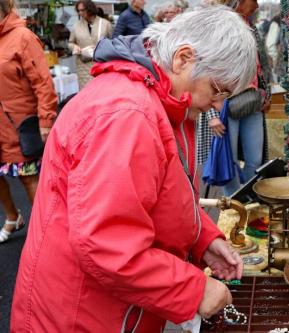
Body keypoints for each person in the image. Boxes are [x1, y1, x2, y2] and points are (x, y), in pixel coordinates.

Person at [11, 6, 256, 332]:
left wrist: (202, 239)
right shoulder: (127, 114)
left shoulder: (164, 102)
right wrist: (193, 289)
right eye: (218, 90)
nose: (218, 105)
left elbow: (165, 198)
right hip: (81, 316)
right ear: (183, 58)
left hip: (110, 310)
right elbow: (106, 244)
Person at [0, 0, 57, 243]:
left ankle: (46, 234)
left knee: (28, 177)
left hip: (19, 123)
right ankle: (13, 217)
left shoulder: (23, 36)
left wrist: (45, 120)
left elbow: (44, 84)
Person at [217, 0, 271, 196]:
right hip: (226, 101)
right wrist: (213, 109)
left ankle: (247, 196)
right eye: (253, 0)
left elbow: (262, 66)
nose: (257, 4)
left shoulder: (251, 27)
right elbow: (208, 65)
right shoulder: (222, 26)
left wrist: (266, 94)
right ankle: (233, 201)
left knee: (255, 159)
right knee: (229, 159)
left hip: (252, 99)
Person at [69, 0, 113, 88]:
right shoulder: (76, 26)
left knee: (102, 92)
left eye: (82, 10)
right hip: (83, 67)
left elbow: (112, 43)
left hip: (102, 65)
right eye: (78, 10)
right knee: (87, 94)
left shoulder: (105, 24)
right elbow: (70, 43)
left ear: (90, 9)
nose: (80, 13)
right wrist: (75, 47)